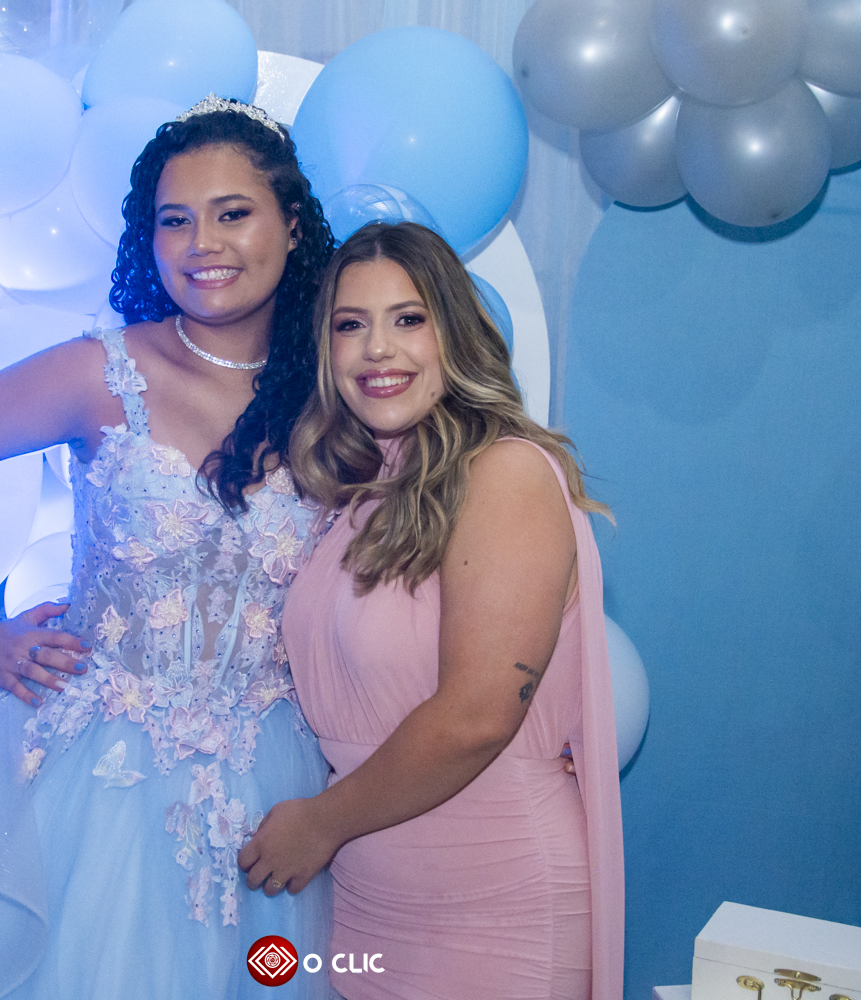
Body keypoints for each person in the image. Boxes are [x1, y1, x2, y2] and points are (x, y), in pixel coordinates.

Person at [0, 98, 339, 1000]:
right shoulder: (103, 372)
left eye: (232, 213)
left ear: (293, 223)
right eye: (174, 220)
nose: (203, 243)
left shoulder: (338, 388)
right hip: (90, 766)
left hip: (275, 772)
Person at [238, 221, 625, 1000]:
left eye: (408, 319)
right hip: (367, 905)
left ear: (454, 333)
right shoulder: (357, 494)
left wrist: (319, 824)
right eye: (351, 325)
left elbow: (477, 715)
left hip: (494, 904)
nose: (378, 349)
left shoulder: (505, 472)